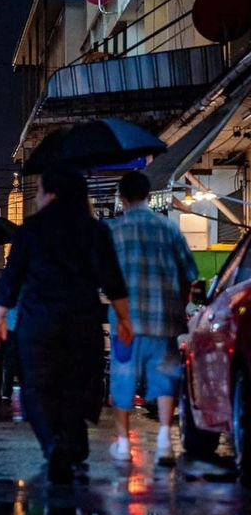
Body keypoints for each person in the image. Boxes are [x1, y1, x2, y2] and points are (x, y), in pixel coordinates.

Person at [0, 164, 132, 483]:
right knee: (74, 385)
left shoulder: (30, 229)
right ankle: (70, 442)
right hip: (82, 320)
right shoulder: (95, 230)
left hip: (38, 322)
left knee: (38, 387)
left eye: (39, 191)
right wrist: (124, 318)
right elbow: (113, 280)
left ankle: (54, 444)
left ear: (51, 193)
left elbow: (11, 278)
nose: (37, 198)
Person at [109, 171, 197, 466]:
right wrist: (178, 305)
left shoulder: (113, 231)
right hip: (163, 321)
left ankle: (122, 445)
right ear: (149, 196)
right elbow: (189, 275)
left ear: (122, 199)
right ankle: (163, 442)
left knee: (122, 379)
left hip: (125, 325)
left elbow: (102, 279)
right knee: (164, 378)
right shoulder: (169, 229)